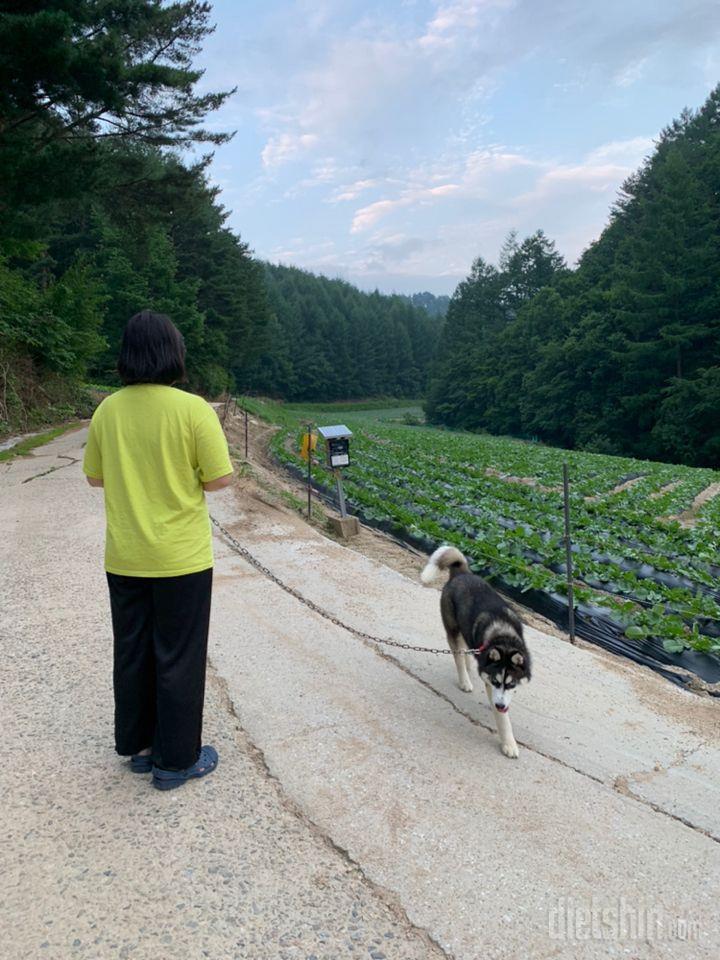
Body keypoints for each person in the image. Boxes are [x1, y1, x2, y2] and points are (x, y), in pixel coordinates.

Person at [82, 310, 233, 791]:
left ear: (126, 355)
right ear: (174, 353)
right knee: (179, 655)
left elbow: (94, 476)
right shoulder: (193, 410)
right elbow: (220, 480)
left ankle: (140, 750)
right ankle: (176, 761)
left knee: (133, 651)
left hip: (125, 556)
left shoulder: (108, 409)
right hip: (180, 560)